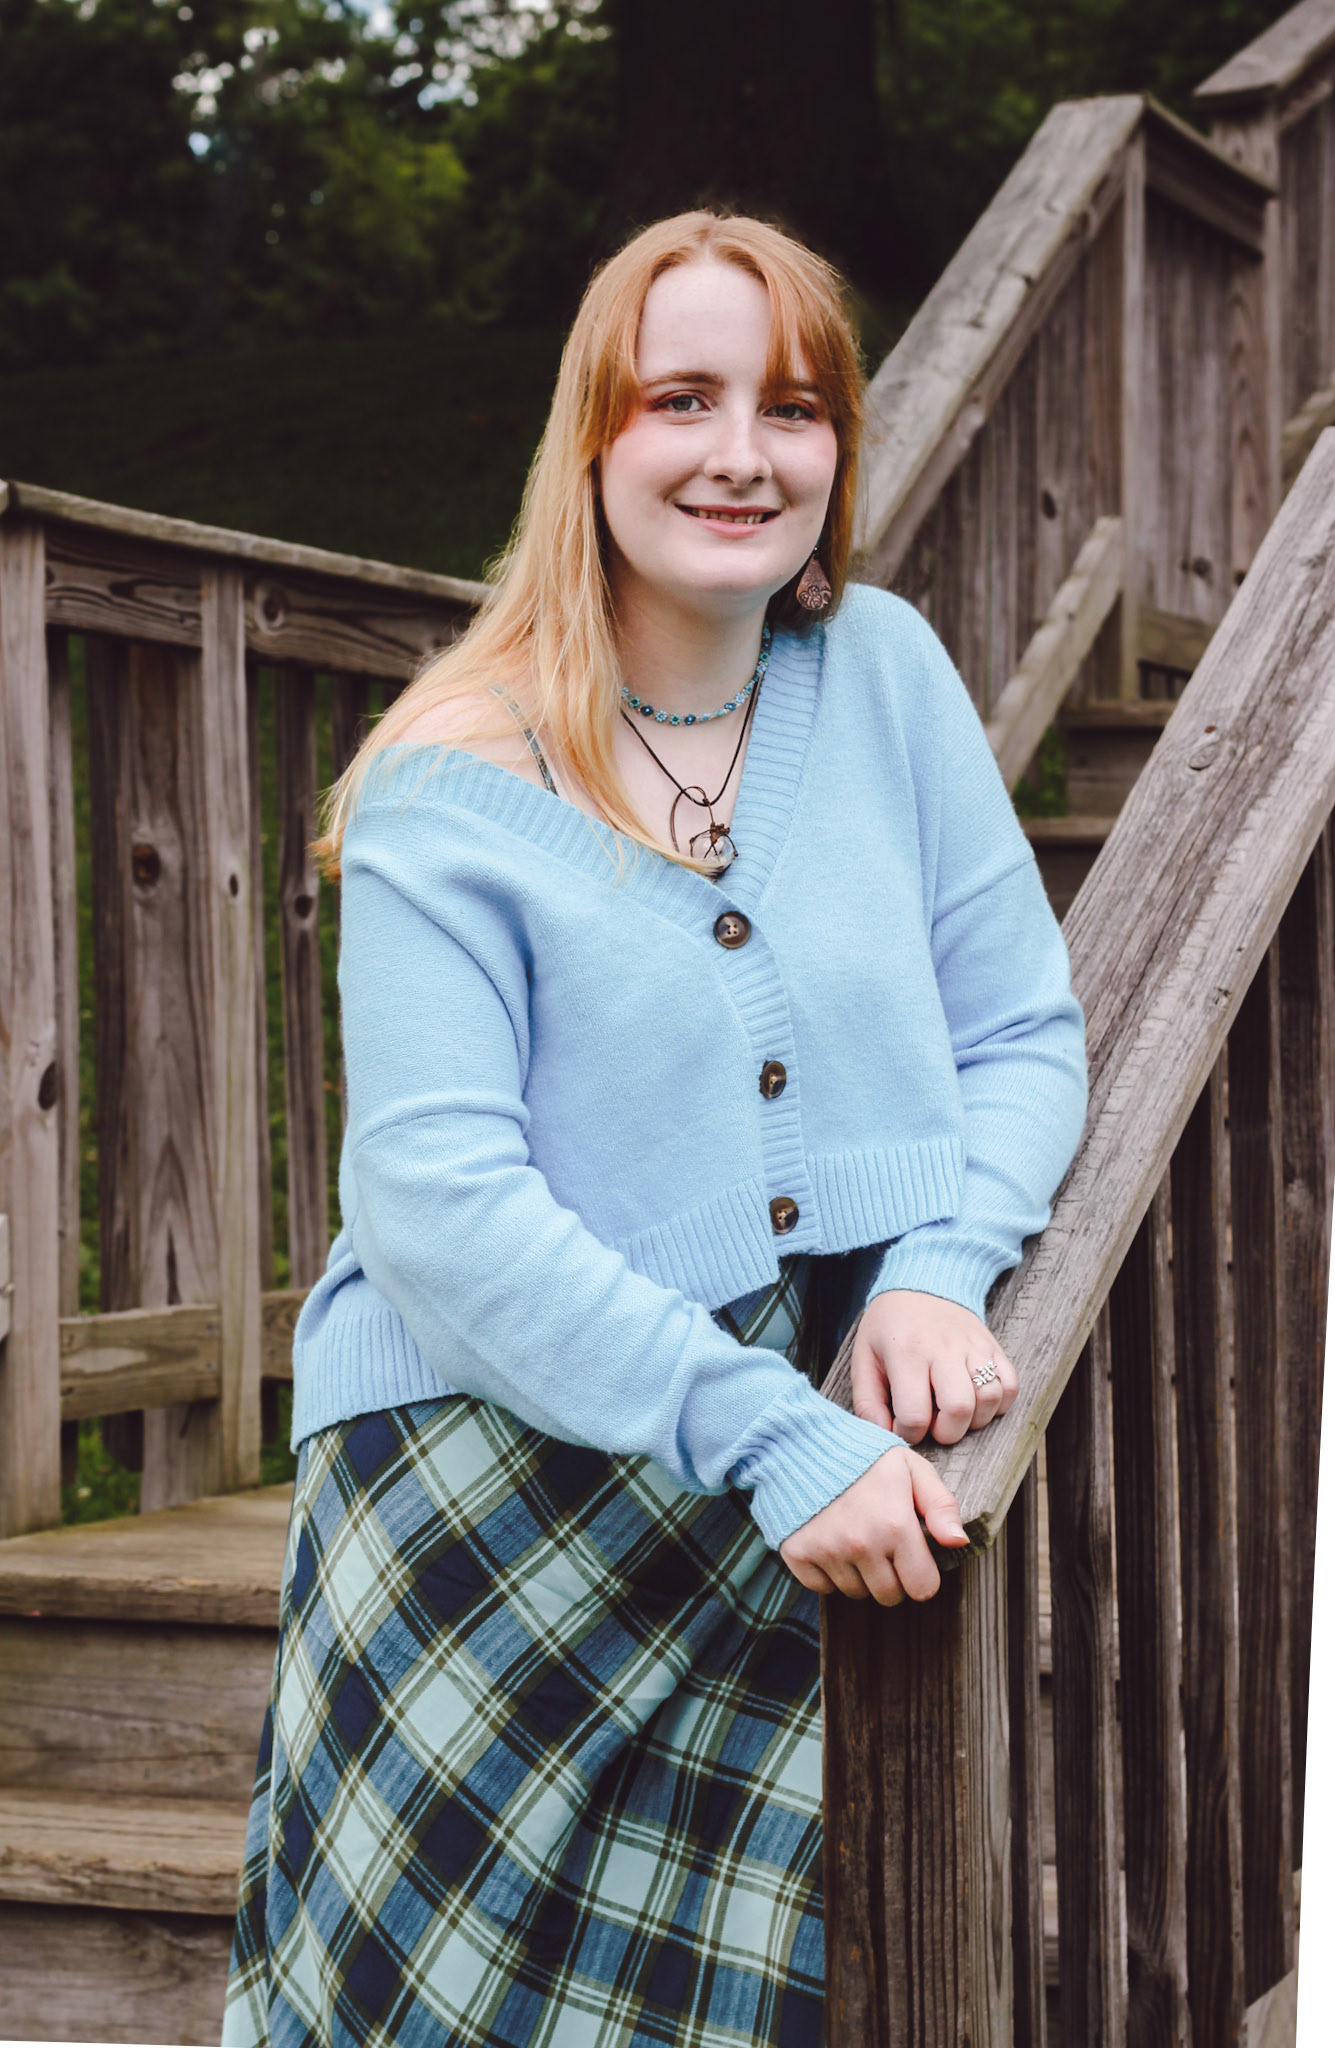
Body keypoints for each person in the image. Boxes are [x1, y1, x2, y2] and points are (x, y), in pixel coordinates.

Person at [222, 209, 1088, 2048]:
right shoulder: (451, 773)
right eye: (681, 399)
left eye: (793, 407)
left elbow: (1021, 1030)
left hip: (793, 1475)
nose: (741, 454)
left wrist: (937, 1268)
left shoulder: (885, 676)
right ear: (593, 439)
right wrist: (765, 1432)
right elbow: (434, 1200)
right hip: (495, 1489)